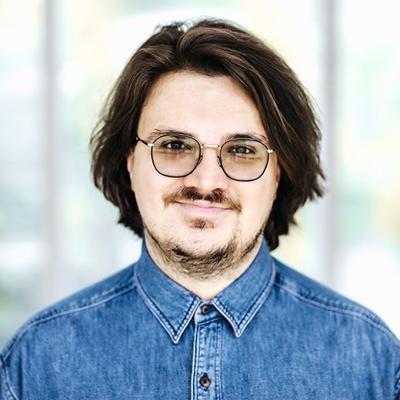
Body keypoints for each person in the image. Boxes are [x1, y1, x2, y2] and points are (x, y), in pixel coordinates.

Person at [1, 18, 399, 400]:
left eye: (242, 150)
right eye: (174, 145)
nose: (206, 182)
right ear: (130, 163)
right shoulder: (36, 363)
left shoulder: (372, 361)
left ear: (278, 174)